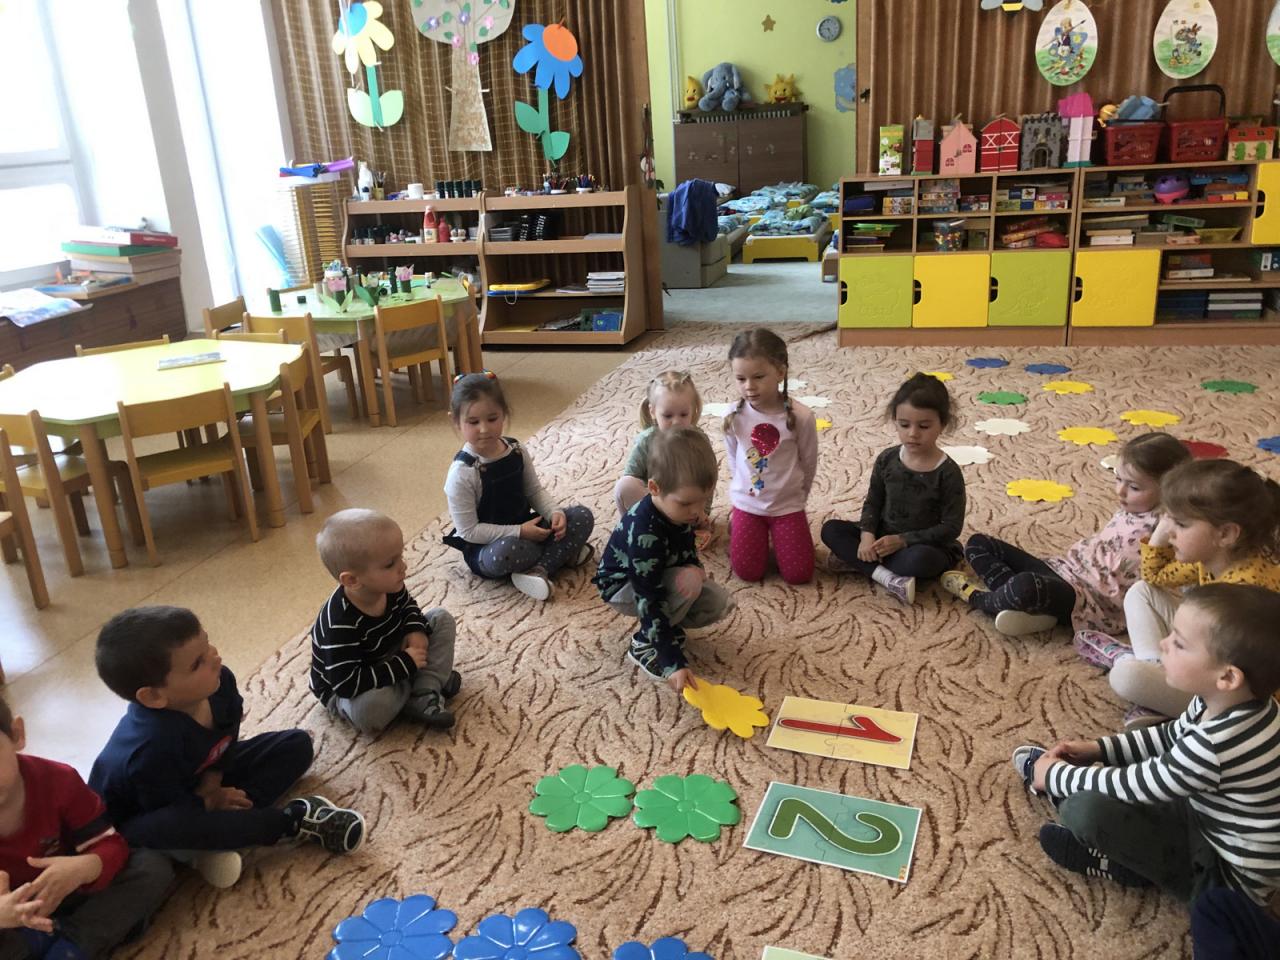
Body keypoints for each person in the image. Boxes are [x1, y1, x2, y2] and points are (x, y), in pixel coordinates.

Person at [1011, 584, 1280, 912]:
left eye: (1179, 643)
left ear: (1227, 677)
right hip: (1208, 815)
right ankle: (1129, 848)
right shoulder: (1230, 703)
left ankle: (1126, 865)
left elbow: (1137, 785)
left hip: (1222, 880)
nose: (1163, 644)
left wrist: (1054, 775)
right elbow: (1169, 737)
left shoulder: (1217, 743)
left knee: (1084, 810)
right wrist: (1100, 749)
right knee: (1132, 770)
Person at [89, 607, 365, 891]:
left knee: (296, 746)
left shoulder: (220, 682)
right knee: (176, 826)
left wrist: (214, 782)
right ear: (154, 696)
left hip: (196, 776)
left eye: (207, 643)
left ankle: (223, 832)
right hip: (145, 815)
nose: (215, 657)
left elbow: (227, 737)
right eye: (197, 663)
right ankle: (290, 822)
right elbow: (170, 810)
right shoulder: (150, 748)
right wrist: (209, 802)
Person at [940, 433, 1190, 638]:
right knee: (978, 544)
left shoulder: (1170, 527)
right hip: (1064, 570)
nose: (1120, 491)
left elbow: (1162, 579)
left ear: (1169, 489)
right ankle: (1026, 608)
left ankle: (979, 598)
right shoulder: (1132, 506)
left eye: (1134, 487)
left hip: (1090, 601)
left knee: (1026, 586)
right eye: (1118, 479)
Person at [1107, 459, 1280, 722]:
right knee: (1142, 592)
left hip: (1240, 703)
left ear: (1225, 534)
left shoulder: (1244, 594)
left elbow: (1238, 681)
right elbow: (1154, 577)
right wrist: (1162, 530)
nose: (1170, 531)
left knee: (1127, 676)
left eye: (1181, 524)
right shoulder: (1216, 556)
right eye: (1168, 519)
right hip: (1210, 649)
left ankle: (1155, 685)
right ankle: (1156, 676)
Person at [0, 695, 172, 959]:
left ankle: (70, 945)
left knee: (150, 867)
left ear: (16, 735)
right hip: (11, 922)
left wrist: (88, 866)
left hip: (71, 889)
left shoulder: (58, 781)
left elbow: (110, 844)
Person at [595, 427, 735, 693]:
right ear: (654, 488)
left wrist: (694, 564)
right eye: (686, 503)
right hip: (624, 586)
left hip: (660, 573)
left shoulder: (679, 513)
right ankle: (643, 643)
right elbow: (648, 597)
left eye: (703, 501)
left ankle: (665, 629)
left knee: (717, 602)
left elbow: (684, 546)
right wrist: (671, 661)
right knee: (688, 583)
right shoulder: (645, 531)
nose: (697, 512)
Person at [443, 372, 595, 601]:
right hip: (489, 547)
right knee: (505, 553)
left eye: (492, 418)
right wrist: (520, 531)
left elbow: (534, 491)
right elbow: (469, 532)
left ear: (504, 413)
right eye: (473, 422)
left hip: (529, 529)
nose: (484, 429)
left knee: (582, 515)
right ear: (456, 421)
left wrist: (553, 512)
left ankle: (539, 568)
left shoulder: (516, 450)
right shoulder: (462, 474)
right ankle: (560, 555)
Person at [312, 508, 460, 734]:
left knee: (441, 619)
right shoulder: (338, 626)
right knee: (370, 711)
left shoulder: (389, 585)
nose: (403, 566)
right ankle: (426, 683)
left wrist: (415, 629)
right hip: (351, 687)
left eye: (400, 556)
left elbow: (408, 606)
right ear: (352, 580)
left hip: (388, 654)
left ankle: (424, 690)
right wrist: (404, 664)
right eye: (390, 564)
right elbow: (346, 684)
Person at [822, 373, 965, 604]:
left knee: (921, 560)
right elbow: (873, 502)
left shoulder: (948, 472)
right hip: (881, 537)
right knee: (830, 529)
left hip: (921, 546)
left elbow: (951, 527)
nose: (913, 433)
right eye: (904, 425)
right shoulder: (887, 459)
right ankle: (887, 577)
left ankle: (860, 564)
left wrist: (902, 540)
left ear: (943, 425)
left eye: (924, 426)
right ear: (895, 420)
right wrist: (867, 536)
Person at [722, 328, 818, 584]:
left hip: (787, 506)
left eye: (758, 377)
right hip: (748, 504)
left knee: (799, 575)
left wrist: (798, 499)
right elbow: (733, 456)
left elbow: (808, 462)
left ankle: (773, 538)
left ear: (780, 372)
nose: (749, 387)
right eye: (740, 378)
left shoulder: (801, 417)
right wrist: (741, 494)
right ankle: (740, 526)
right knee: (748, 573)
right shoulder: (733, 414)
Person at [613, 370, 712, 522]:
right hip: (655, 507)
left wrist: (702, 514)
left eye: (683, 414)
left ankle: (683, 527)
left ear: (693, 409)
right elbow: (631, 477)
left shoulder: (699, 441)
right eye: (668, 416)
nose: (676, 422)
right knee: (625, 485)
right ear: (652, 411)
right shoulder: (646, 440)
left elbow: (709, 478)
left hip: (687, 508)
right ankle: (633, 525)